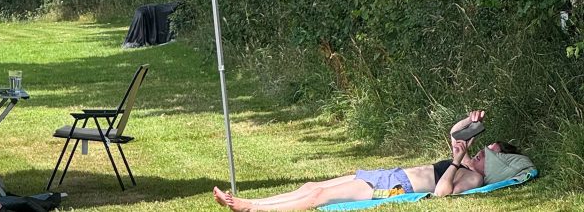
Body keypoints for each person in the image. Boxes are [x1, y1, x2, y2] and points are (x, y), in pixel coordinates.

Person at [213, 110, 535, 211]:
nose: (481, 152)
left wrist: (455, 162)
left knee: (318, 197)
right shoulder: (465, 162)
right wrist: (469, 122)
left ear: (497, 166)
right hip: (389, 174)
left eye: (489, 154)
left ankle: (251, 208)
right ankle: (255, 202)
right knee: (312, 185)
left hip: (396, 188)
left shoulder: (474, 177)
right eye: (484, 148)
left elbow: (441, 194)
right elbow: (454, 133)